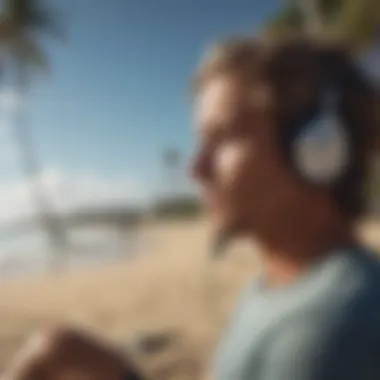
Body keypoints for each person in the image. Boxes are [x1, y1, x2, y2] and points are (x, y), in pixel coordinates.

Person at [3, 36, 380, 380]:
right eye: (202, 142)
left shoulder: (327, 332)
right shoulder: (277, 283)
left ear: (318, 147)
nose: (196, 168)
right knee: (58, 344)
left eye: (225, 135)